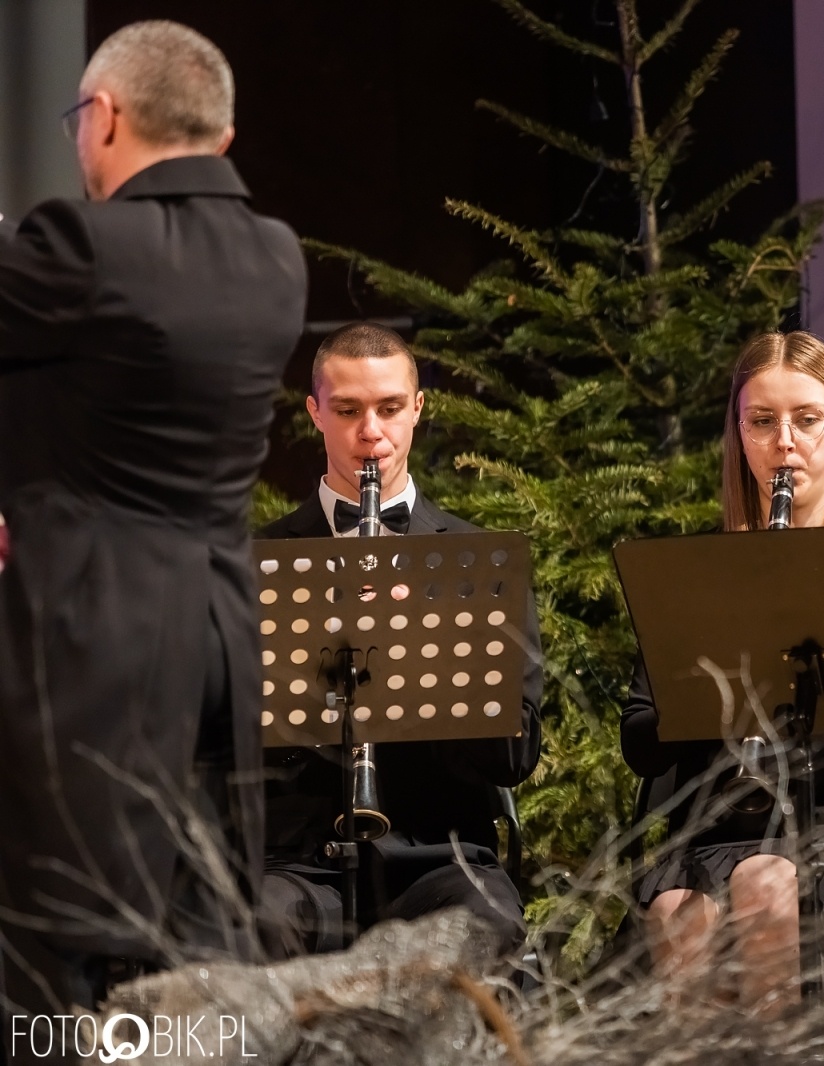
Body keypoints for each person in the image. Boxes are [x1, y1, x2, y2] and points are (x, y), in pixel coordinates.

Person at [0, 21, 306, 1017]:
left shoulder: (83, 246)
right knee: (196, 946)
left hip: (96, 652)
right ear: (219, 137)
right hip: (220, 644)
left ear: (104, 117)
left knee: (64, 955)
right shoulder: (275, 258)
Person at [620, 330, 824, 1011]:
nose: (784, 442)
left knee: (765, 882)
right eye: (761, 422)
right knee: (680, 907)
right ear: (739, 434)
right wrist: (721, 693)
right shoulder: (700, 577)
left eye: (806, 419)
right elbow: (641, 737)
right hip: (725, 831)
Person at [254, 322, 542, 958]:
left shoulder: (476, 565)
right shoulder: (261, 562)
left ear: (417, 409)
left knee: (486, 928)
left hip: (440, 859)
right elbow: (216, 740)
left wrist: (427, 644)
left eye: (388, 409)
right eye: (348, 410)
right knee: (254, 926)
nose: (370, 433)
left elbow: (516, 756)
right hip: (298, 864)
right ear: (315, 414)